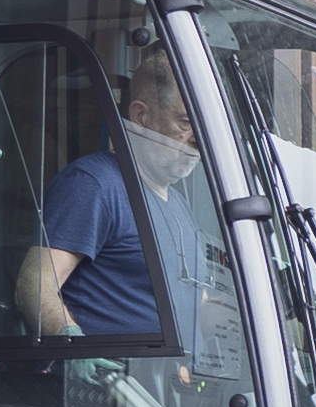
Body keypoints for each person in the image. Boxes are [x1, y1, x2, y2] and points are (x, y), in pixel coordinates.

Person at [19, 62, 203, 339]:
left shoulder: (179, 205)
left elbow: (192, 305)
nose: (197, 140)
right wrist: (75, 348)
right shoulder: (94, 183)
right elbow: (33, 285)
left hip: (175, 379)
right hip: (111, 378)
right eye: (186, 123)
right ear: (141, 116)